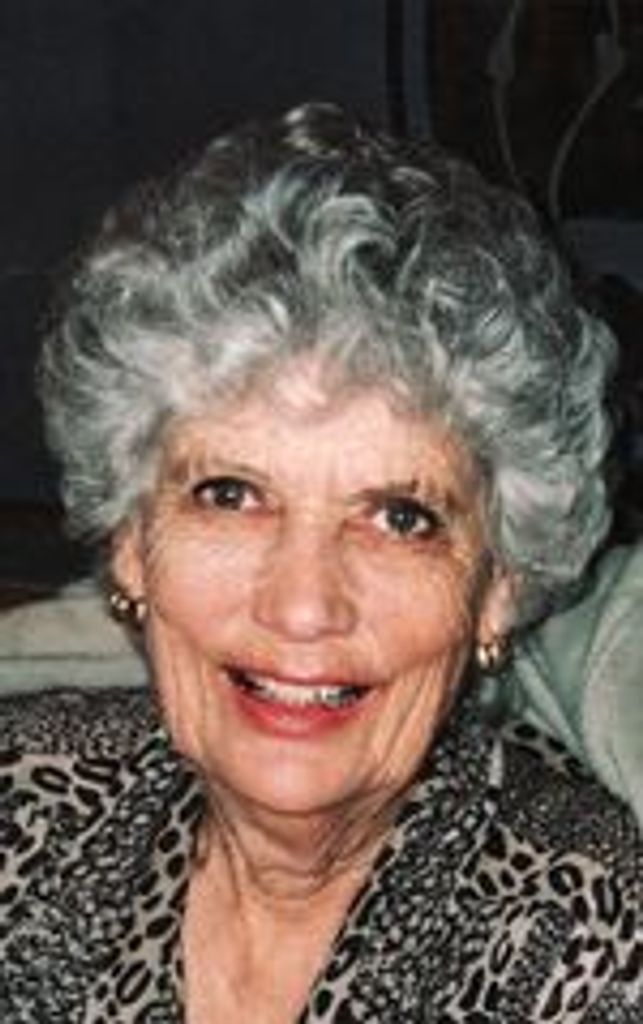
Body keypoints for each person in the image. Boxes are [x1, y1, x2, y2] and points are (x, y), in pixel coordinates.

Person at [1, 103, 640, 1023]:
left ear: (497, 590)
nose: (303, 606)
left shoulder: (590, 942)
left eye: (400, 517)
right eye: (230, 495)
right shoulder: (25, 805)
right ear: (131, 547)